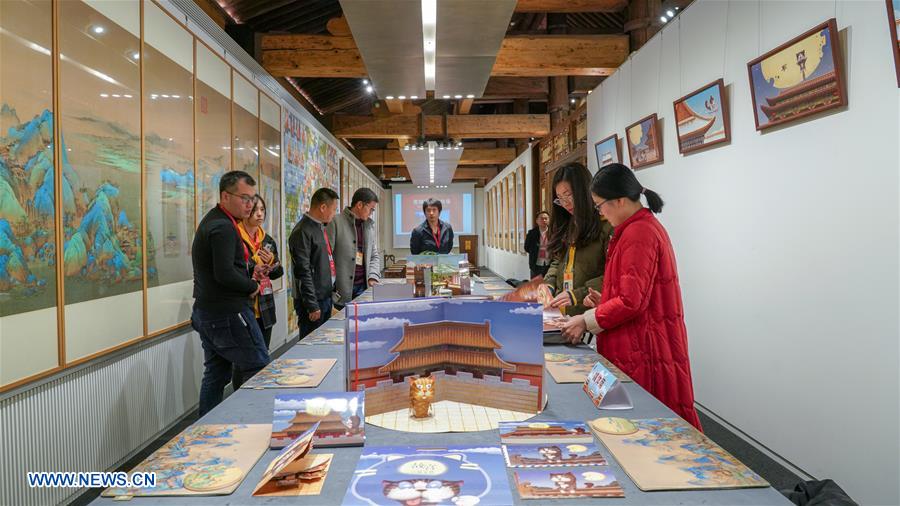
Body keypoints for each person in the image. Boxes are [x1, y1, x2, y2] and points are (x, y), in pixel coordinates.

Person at [560, 163, 702, 430]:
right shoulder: (635, 228)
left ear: (620, 200)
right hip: (640, 339)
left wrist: (586, 319)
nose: (600, 212)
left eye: (600, 206)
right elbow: (636, 293)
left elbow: (631, 301)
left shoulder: (639, 233)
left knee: (648, 422)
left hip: (645, 346)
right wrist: (604, 301)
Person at [191, 170, 270, 416]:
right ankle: (254, 424)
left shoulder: (217, 221)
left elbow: (224, 268)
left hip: (208, 312)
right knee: (259, 367)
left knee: (216, 373)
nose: (250, 205)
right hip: (227, 313)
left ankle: (207, 429)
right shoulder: (222, 227)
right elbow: (224, 274)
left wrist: (250, 271)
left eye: (252, 198)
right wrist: (252, 286)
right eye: (244, 198)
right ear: (225, 196)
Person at [539, 163, 614, 318]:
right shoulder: (569, 224)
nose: (565, 203)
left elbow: (613, 274)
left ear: (584, 191)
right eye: (560, 199)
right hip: (563, 313)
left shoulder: (607, 226)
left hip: (590, 315)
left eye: (568, 195)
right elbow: (557, 260)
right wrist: (549, 284)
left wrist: (578, 294)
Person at [231, 195, 284, 391]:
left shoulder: (267, 240)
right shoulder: (235, 237)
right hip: (243, 307)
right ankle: (240, 395)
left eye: (262, 210)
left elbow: (278, 272)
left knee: (263, 355)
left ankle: (257, 393)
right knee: (243, 360)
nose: (260, 214)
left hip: (264, 306)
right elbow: (233, 272)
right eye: (255, 210)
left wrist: (272, 262)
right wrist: (254, 265)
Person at [289, 188, 339, 338]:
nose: (334, 214)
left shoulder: (320, 227)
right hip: (313, 301)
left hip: (324, 296)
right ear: (323, 207)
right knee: (311, 342)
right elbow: (302, 271)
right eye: (333, 209)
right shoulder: (302, 231)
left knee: (324, 340)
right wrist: (312, 304)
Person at [328, 187, 382, 306]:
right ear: (359, 205)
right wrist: (331, 287)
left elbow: (374, 256)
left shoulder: (368, 226)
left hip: (363, 287)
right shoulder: (335, 222)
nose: (371, 213)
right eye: (371, 209)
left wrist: (373, 276)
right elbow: (327, 258)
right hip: (341, 290)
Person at [524, 211, 551, 279]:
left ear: (549, 220)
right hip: (536, 264)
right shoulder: (532, 233)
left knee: (548, 283)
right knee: (535, 283)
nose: (544, 220)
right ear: (537, 221)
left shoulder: (553, 232)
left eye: (546, 218)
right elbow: (526, 247)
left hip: (550, 264)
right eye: (541, 218)